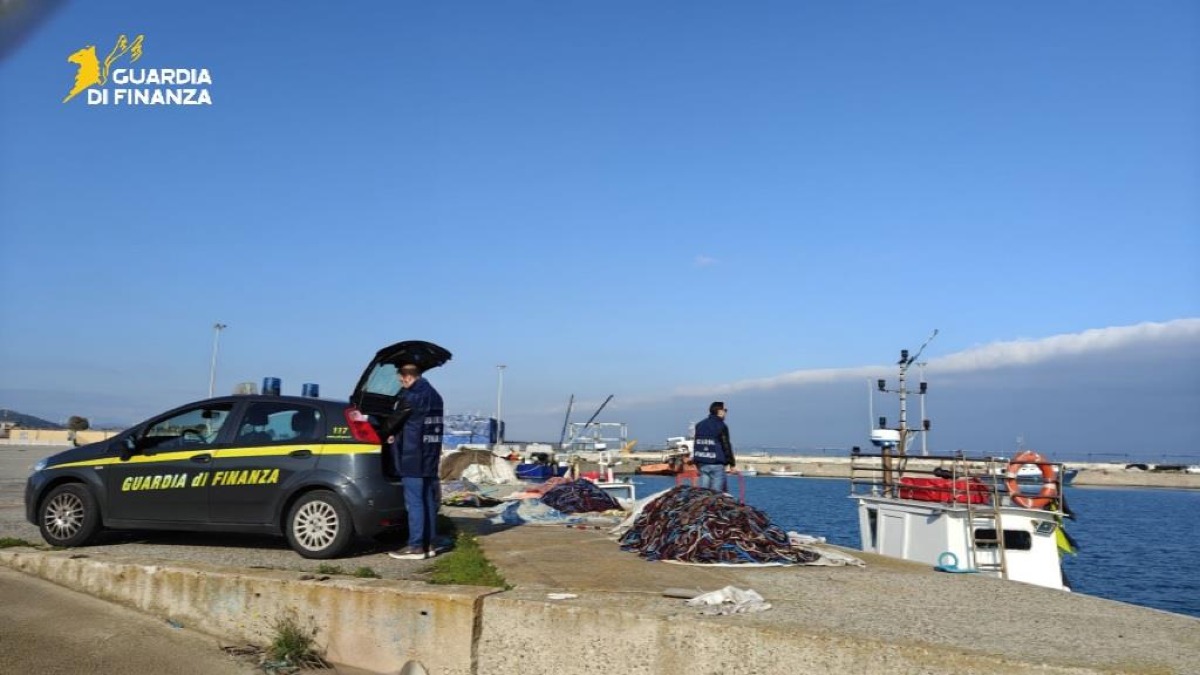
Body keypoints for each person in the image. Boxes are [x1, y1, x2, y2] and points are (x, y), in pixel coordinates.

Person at [386, 364, 445, 560]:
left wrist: (384, 434)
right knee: (427, 500)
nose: (400, 382)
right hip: (430, 455)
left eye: (400, 379)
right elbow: (418, 424)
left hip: (413, 456)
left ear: (408, 377)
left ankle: (415, 546)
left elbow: (393, 422)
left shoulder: (412, 397)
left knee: (414, 502)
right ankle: (429, 544)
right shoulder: (435, 395)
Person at [692, 401, 735, 492]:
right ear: (719, 411)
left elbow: (696, 444)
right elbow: (726, 445)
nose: (726, 412)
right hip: (716, 464)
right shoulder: (721, 426)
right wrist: (732, 464)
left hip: (702, 463)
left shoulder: (699, 425)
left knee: (704, 494)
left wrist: (696, 461)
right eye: (725, 410)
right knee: (716, 495)